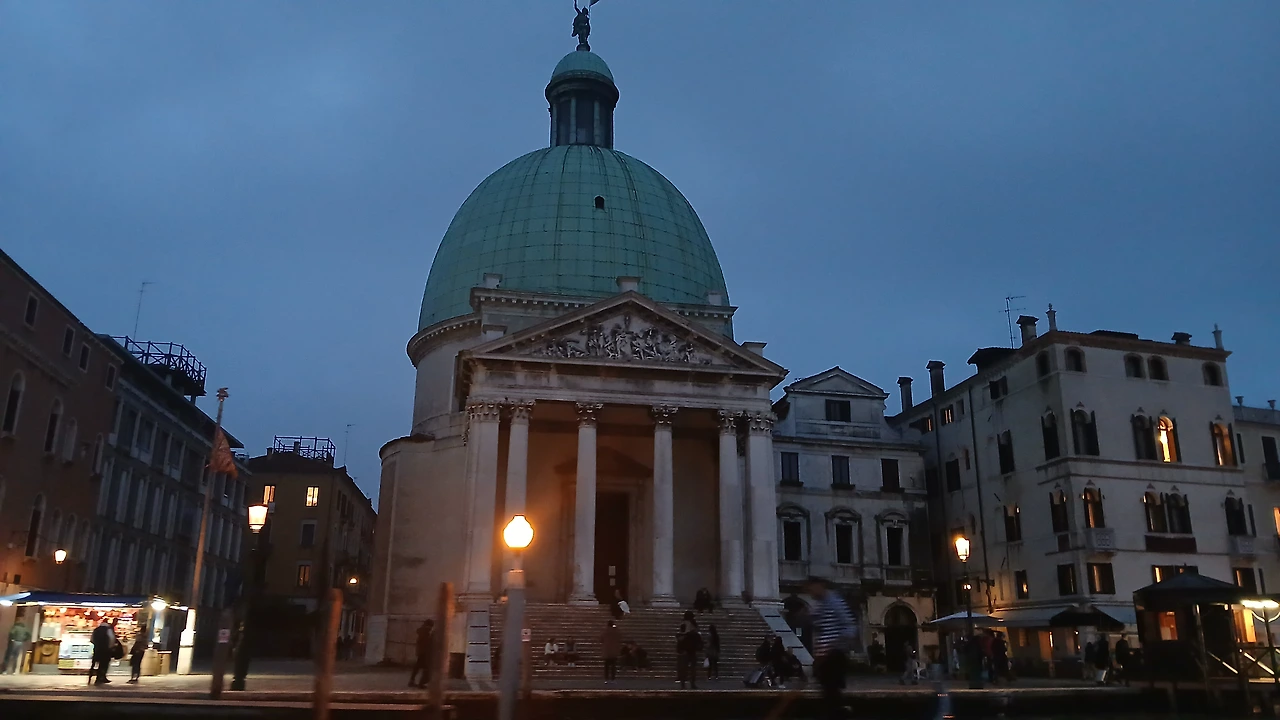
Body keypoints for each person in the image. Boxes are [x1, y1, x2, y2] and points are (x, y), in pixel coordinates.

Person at [807, 576, 855, 720]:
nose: (810, 592)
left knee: (831, 691)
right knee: (828, 691)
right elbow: (820, 627)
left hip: (834, 655)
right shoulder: (821, 604)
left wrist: (833, 646)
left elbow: (849, 627)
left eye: (811, 588)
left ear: (820, 585)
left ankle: (841, 713)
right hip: (826, 656)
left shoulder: (835, 602)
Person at [676, 611, 701, 689]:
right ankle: (692, 683)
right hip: (691, 649)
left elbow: (681, 635)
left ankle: (683, 684)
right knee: (692, 668)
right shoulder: (692, 624)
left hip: (685, 649)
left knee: (684, 668)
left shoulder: (683, 623)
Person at [408, 619, 434, 688]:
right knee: (427, 668)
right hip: (425, 652)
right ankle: (422, 683)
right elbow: (427, 643)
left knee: (417, 667)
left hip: (421, 652)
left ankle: (412, 680)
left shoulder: (422, 631)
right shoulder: (426, 632)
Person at [90, 620, 116, 685]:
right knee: (104, 664)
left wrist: (96, 644)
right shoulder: (108, 630)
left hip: (97, 649)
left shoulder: (96, 629)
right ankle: (101, 677)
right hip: (105, 650)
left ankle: (92, 676)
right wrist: (110, 647)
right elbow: (112, 639)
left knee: (95, 663)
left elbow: (92, 639)